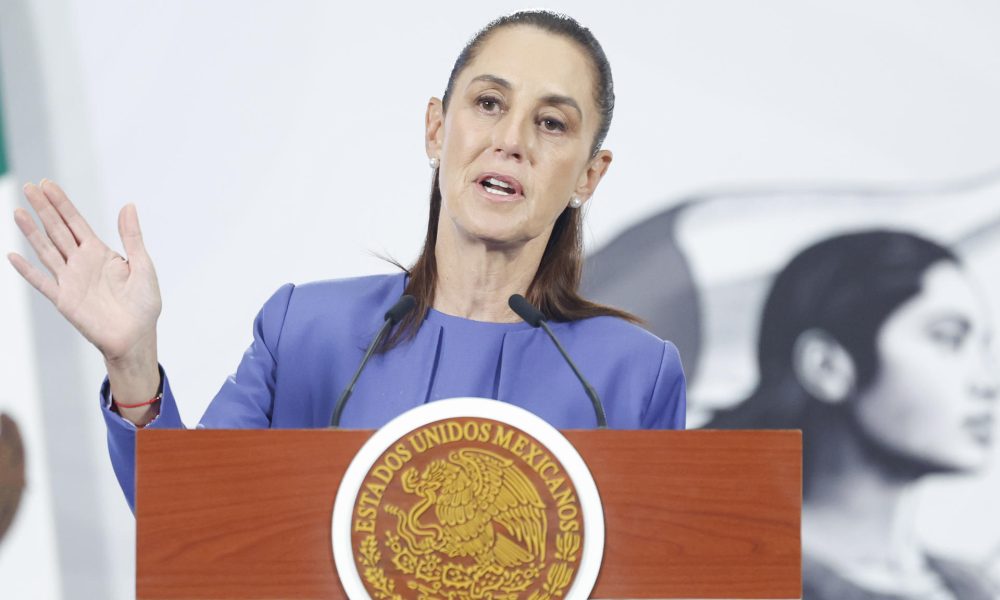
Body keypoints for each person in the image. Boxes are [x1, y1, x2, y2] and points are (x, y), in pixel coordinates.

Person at [6, 10, 687, 511]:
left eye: (552, 123)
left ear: (589, 177)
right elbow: (192, 521)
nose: (510, 140)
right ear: (435, 128)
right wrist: (132, 362)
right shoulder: (306, 329)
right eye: (488, 103)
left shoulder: (631, 375)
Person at [708, 230, 999, 599]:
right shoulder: (727, 581)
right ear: (827, 366)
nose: (989, 383)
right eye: (948, 338)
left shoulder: (972, 587)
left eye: (984, 346)